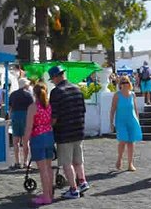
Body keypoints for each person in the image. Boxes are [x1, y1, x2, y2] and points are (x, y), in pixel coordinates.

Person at [48, 65, 89, 200]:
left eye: (52, 79)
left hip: (64, 132)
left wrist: (49, 127)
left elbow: (54, 116)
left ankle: (73, 189)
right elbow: (83, 110)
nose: (52, 82)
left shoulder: (56, 92)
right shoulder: (77, 88)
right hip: (79, 129)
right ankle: (82, 181)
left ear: (55, 77)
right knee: (78, 160)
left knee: (67, 163)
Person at [23, 82, 55, 206]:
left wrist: (25, 143)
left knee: (43, 170)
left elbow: (29, 127)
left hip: (38, 137)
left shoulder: (33, 107)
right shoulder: (48, 106)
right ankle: (50, 193)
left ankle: (46, 196)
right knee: (48, 167)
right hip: (49, 136)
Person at [110, 75, 142, 171]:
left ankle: (130, 163)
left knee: (131, 142)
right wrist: (111, 122)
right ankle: (119, 159)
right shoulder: (117, 95)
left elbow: (135, 109)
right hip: (121, 121)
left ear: (129, 83)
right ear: (120, 84)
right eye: (122, 82)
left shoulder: (132, 94)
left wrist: (138, 121)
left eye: (126, 82)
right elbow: (112, 109)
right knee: (122, 141)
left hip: (131, 120)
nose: (125, 84)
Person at [10, 78, 34, 169]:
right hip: (25, 116)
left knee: (15, 141)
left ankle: (17, 161)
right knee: (25, 141)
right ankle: (25, 161)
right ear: (25, 85)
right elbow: (32, 108)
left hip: (15, 116)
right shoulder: (28, 95)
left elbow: (10, 108)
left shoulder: (13, 95)